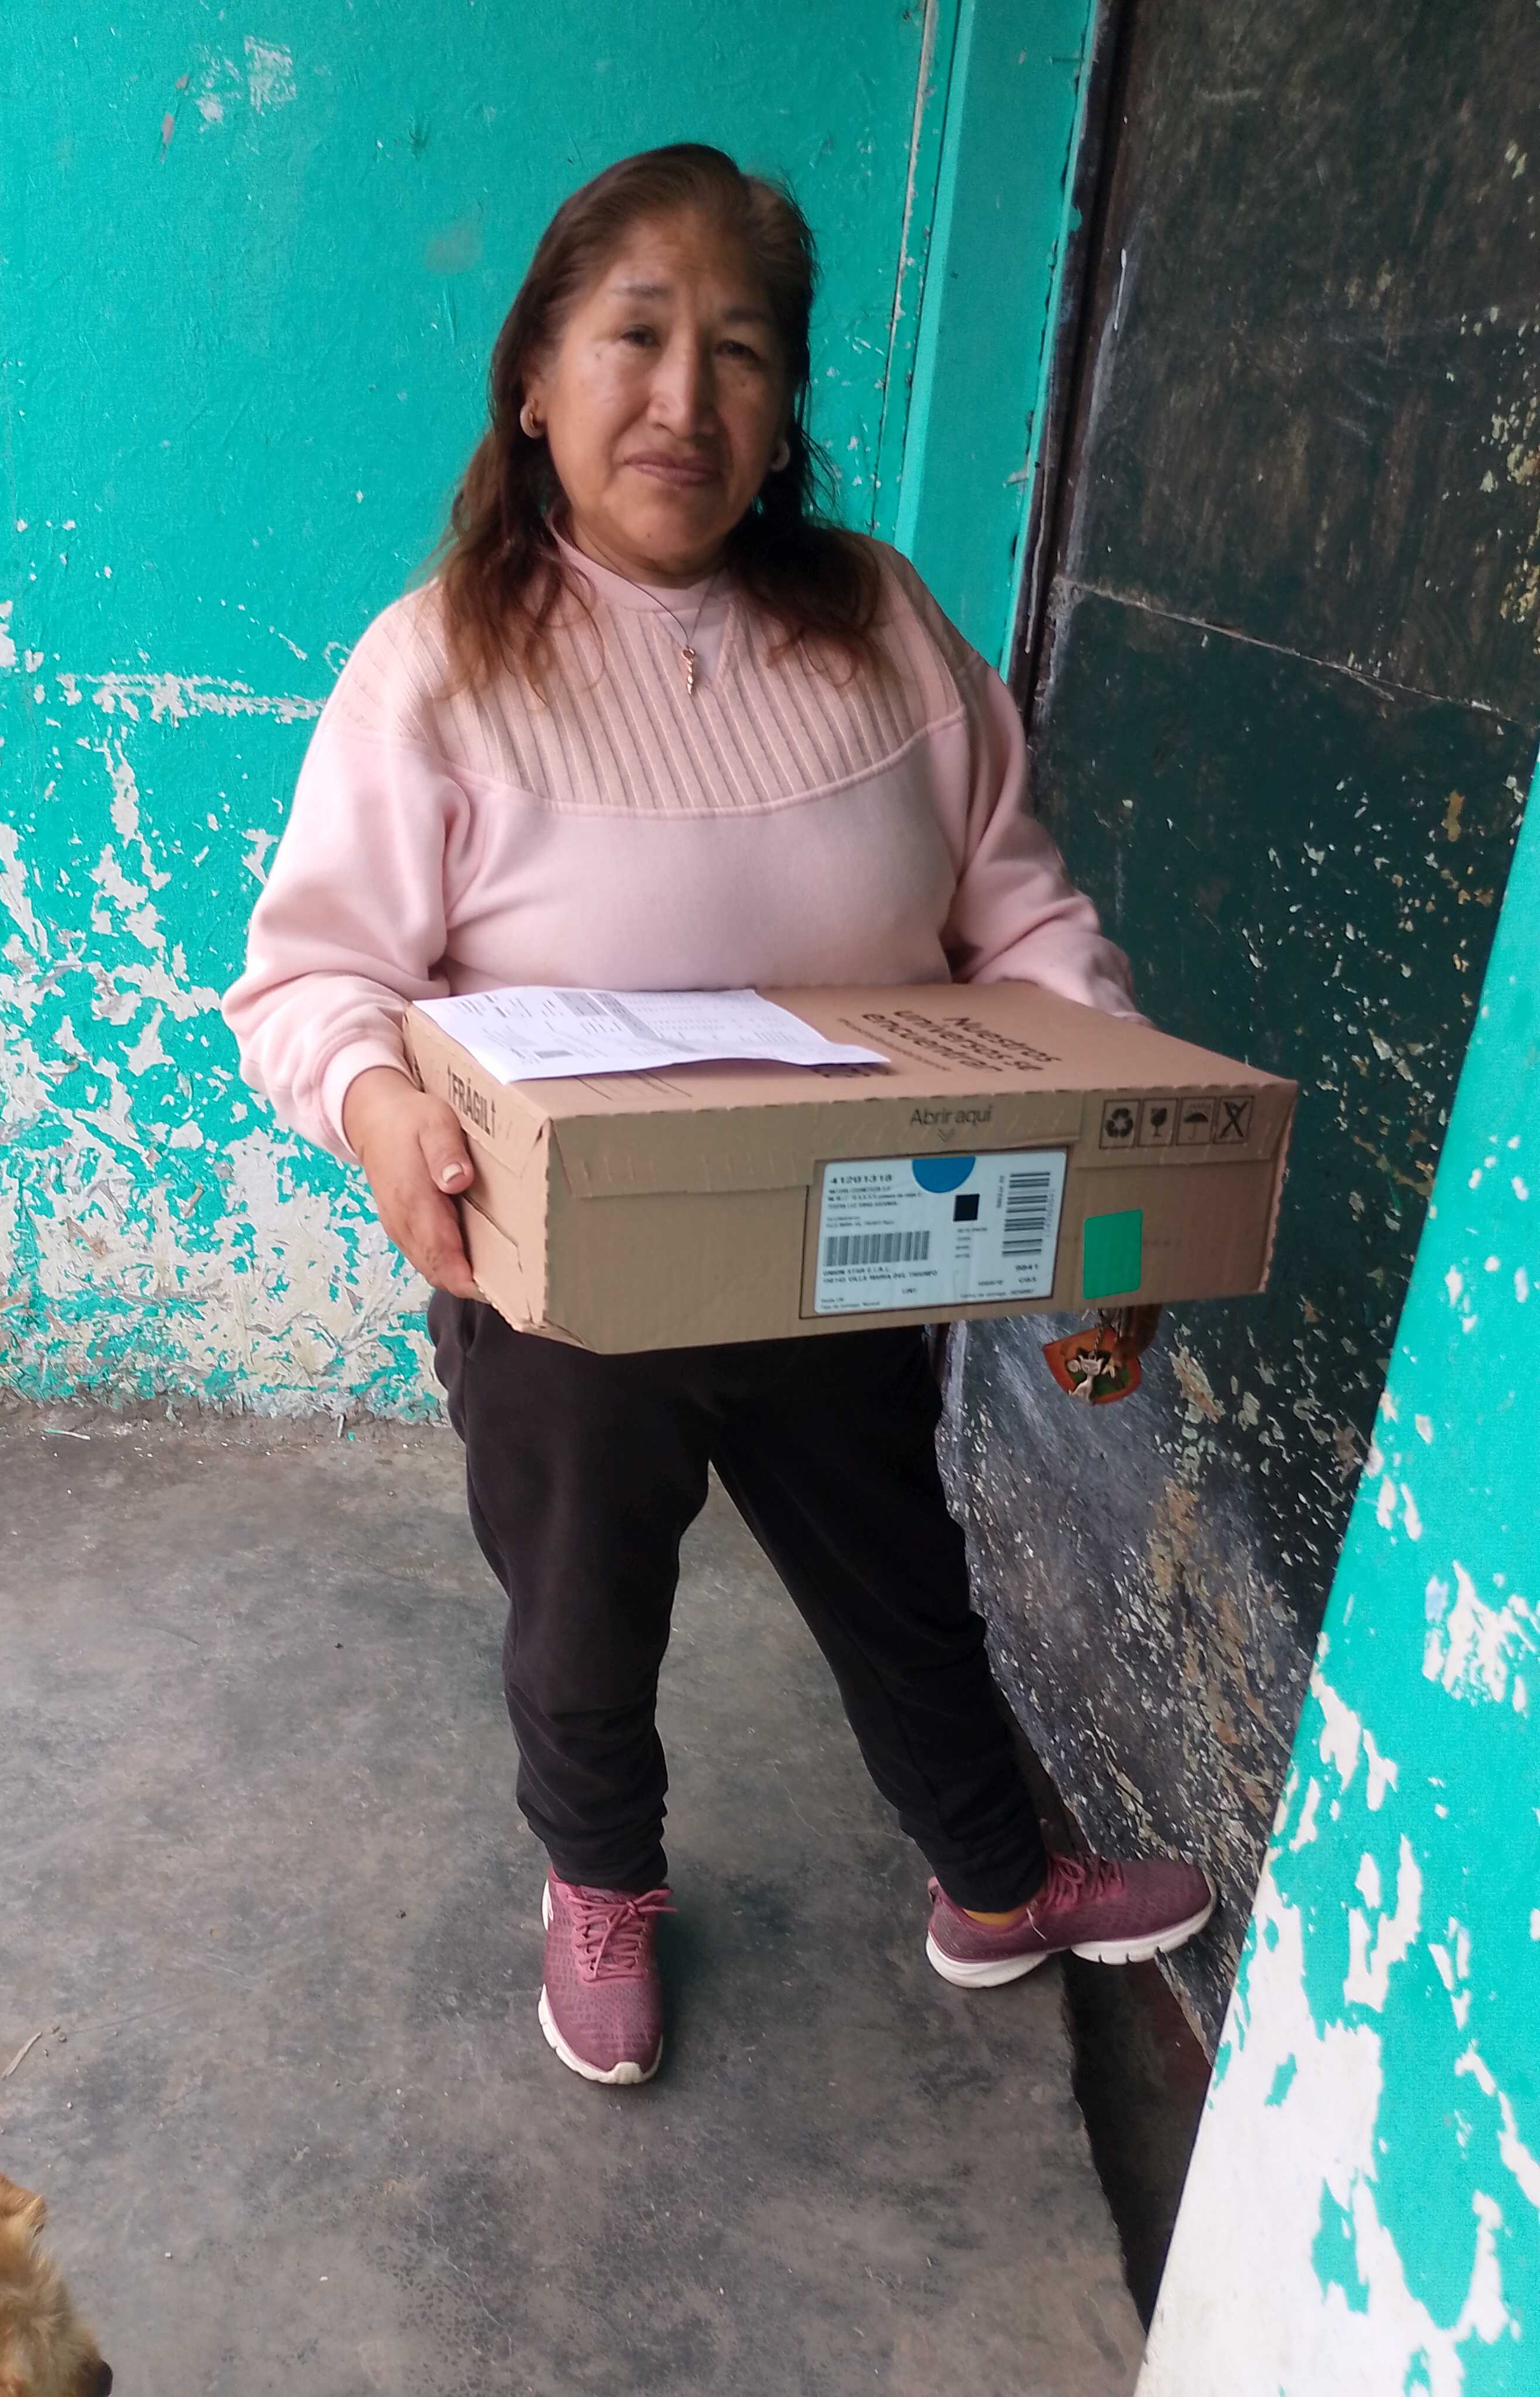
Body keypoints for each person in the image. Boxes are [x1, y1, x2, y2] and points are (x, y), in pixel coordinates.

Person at [223, 144, 1213, 2088]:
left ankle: (995, 1883)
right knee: (585, 1613)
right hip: (569, 1283)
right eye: (638, 337)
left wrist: (1109, 1179)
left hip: (850, 1235)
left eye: (742, 352)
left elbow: (1018, 920)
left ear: (784, 410)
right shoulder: (440, 662)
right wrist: (375, 1105)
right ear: (536, 379)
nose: (687, 398)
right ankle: (600, 1882)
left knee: (903, 1580)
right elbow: (309, 975)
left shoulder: (882, 626)